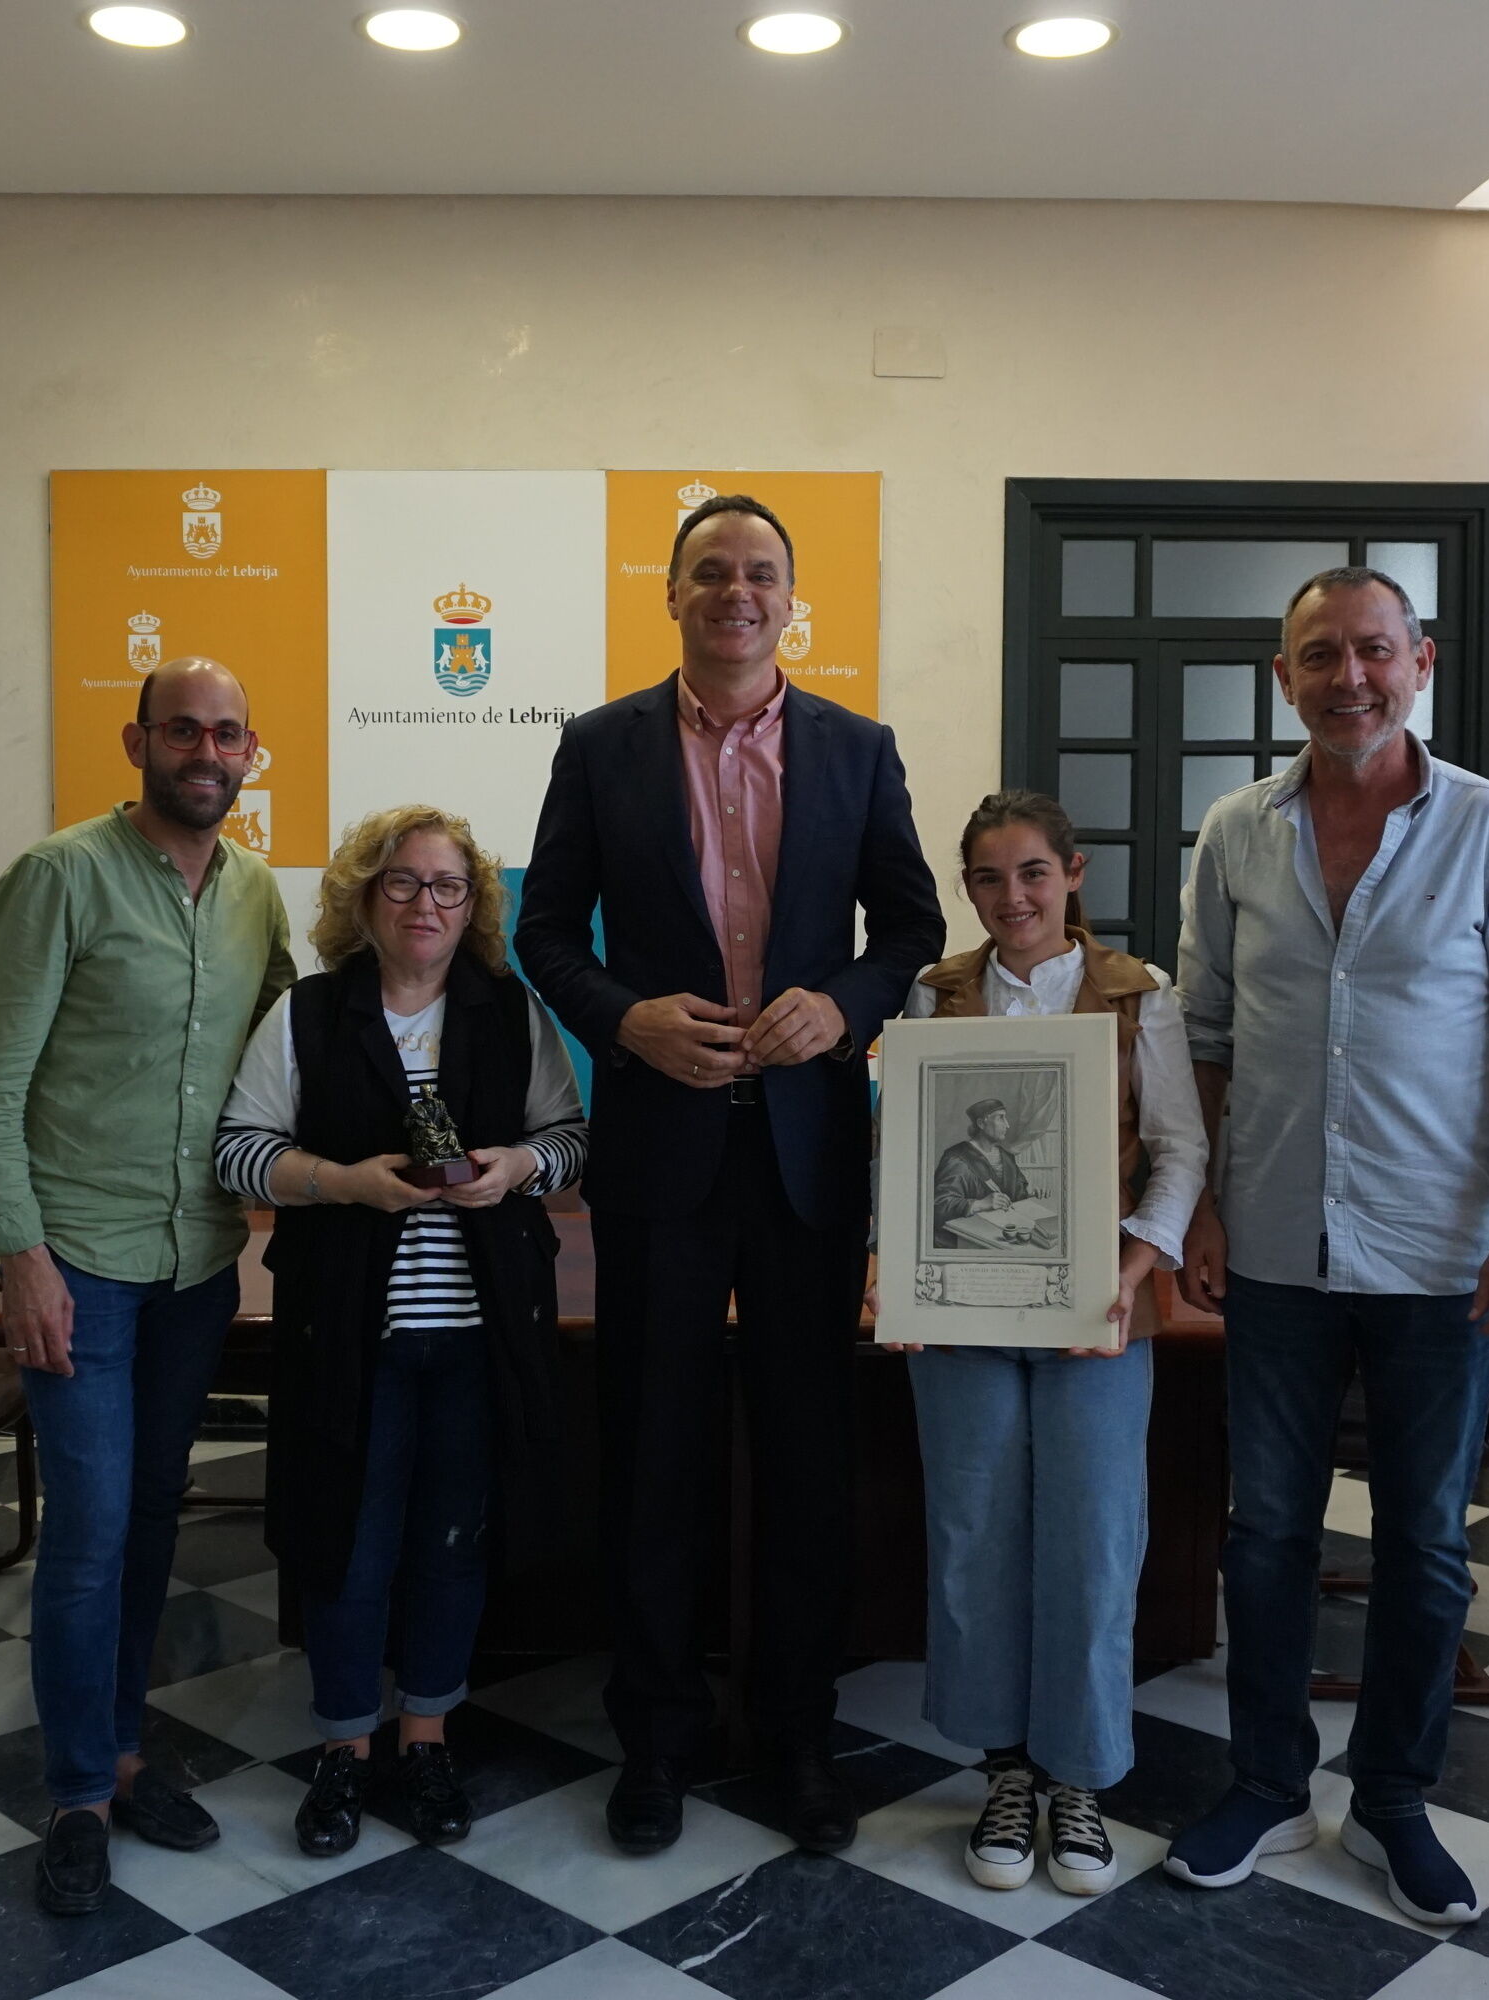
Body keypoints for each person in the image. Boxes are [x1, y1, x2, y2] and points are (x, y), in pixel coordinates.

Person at [1165, 569, 1489, 1926]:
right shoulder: (1236, 832)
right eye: (1319, 655)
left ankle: (1395, 1797)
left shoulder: (1488, 826)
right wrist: (1204, 1206)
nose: (1347, 677)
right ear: (1283, 678)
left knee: (1424, 1542)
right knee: (1266, 1534)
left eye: (1372, 651)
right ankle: (1267, 1783)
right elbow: (1204, 1035)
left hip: (1437, 1254)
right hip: (1277, 1245)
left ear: (1419, 662)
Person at [517, 493, 944, 1856]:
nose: (737, 592)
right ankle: (655, 1734)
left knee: (811, 1452)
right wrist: (624, 1019)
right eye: (712, 571)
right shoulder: (601, 746)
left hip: (810, 1154)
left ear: (790, 598)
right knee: (654, 1448)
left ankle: (798, 1732)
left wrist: (847, 1006)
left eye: (761, 572)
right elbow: (544, 930)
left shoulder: (857, 748)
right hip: (663, 1149)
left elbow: (912, 925)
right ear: (673, 593)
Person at [0, 657, 296, 1917]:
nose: (207, 751)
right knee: (89, 1530)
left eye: (228, 734)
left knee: (151, 1514)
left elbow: (286, 1047)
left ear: (250, 752)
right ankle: (79, 1790)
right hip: (78, 1261)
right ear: (138, 740)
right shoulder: (57, 877)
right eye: (183, 730)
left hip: (196, 1260)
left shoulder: (255, 891)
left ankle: (130, 1750)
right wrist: (19, 1253)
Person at [213, 806, 585, 1857]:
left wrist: (517, 1167)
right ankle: (343, 1748)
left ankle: (425, 1739)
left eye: (449, 886)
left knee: (451, 1541)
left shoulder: (508, 1010)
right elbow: (237, 1150)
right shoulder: (308, 1013)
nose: (427, 903)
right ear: (366, 896)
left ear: (473, 906)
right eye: (405, 882)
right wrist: (343, 1183)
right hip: (349, 1332)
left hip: (478, 1334)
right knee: (347, 1542)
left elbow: (569, 1139)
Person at [881, 790, 1206, 1897]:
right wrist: (891, 1264)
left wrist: (1133, 1270)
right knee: (972, 1532)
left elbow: (1179, 1150)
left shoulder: (1138, 992)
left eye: (1031, 872)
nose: (1011, 896)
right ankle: (1006, 1771)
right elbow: (898, 1146)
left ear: (1072, 873)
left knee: (1094, 1539)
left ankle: (1079, 1777)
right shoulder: (933, 993)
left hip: (1099, 1316)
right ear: (968, 889)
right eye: (987, 877)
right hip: (962, 1315)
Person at [930, 1098, 1037, 1248]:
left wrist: (1031, 1195)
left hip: (1004, 1238)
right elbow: (938, 1205)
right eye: (1000, 1118)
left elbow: (1015, 1197)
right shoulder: (957, 1158)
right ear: (981, 1123)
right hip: (966, 1242)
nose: (1007, 1125)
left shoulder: (1006, 1157)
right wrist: (979, 1204)